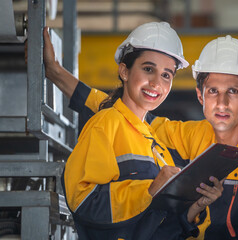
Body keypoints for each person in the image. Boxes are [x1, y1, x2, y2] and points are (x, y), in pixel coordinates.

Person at [45, 30, 238, 239]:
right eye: (213, 91)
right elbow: (130, 112)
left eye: (233, 92)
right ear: (200, 95)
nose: (222, 103)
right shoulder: (193, 136)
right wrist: (56, 74)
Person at [45, 22, 223, 240]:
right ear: (124, 71)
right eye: (148, 69)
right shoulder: (106, 124)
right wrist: (149, 191)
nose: (157, 83)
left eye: (167, 75)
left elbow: (156, 226)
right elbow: (82, 201)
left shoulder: (154, 143)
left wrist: (195, 208)